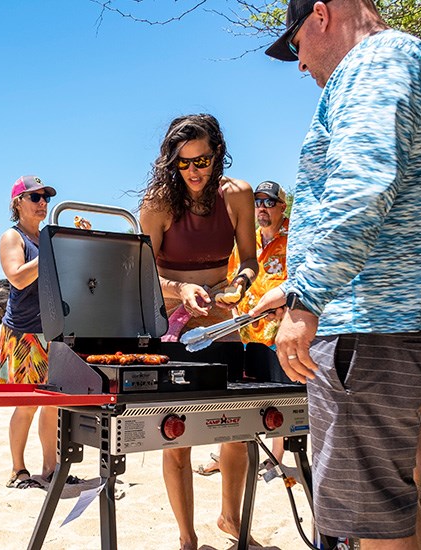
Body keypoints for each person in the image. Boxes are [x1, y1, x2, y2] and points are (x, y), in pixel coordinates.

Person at [252, 2, 421, 549]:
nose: (298, 65)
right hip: (396, 318)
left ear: (321, 14)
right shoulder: (405, 58)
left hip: (368, 325)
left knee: (367, 527)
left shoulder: (373, 62)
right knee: (388, 511)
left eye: (295, 43)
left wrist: (308, 296)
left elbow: (361, 186)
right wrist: (289, 284)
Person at [139, 113, 259, 550]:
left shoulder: (238, 195)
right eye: (184, 164)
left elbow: (248, 259)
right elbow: (142, 271)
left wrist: (240, 284)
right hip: (169, 324)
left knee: (239, 428)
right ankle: (187, 538)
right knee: (177, 434)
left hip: (220, 320)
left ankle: (230, 518)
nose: (194, 172)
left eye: (203, 161)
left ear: (218, 154)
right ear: (171, 163)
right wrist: (181, 288)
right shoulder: (157, 204)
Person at [196, 180, 290, 477]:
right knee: (241, 395)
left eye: (269, 202)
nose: (262, 208)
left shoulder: (293, 239)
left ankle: (274, 458)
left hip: (278, 329)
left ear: (282, 207)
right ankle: (230, 454)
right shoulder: (245, 243)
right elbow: (233, 276)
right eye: (258, 202)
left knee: (278, 396)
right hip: (246, 328)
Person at [0, 175, 66, 490]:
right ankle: (17, 470)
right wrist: (52, 251)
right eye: (35, 197)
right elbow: (18, 278)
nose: (43, 203)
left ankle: (51, 469)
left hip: (52, 331)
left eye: (45, 198)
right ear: (18, 203)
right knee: (27, 403)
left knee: (52, 403)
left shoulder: (45, 238)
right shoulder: (14, 238)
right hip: (24, 332)